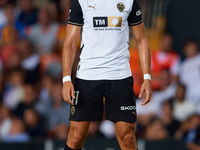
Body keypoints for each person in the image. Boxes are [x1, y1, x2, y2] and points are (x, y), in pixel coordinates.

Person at [62, 0, 152, 150]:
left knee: (128, 138)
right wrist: (66, 79)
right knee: (76, 136)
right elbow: (70, 42)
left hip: (120, 76)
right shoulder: (82, 2)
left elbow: (142, 40)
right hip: (87, 76)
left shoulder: (129, 2)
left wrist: (147, 78)